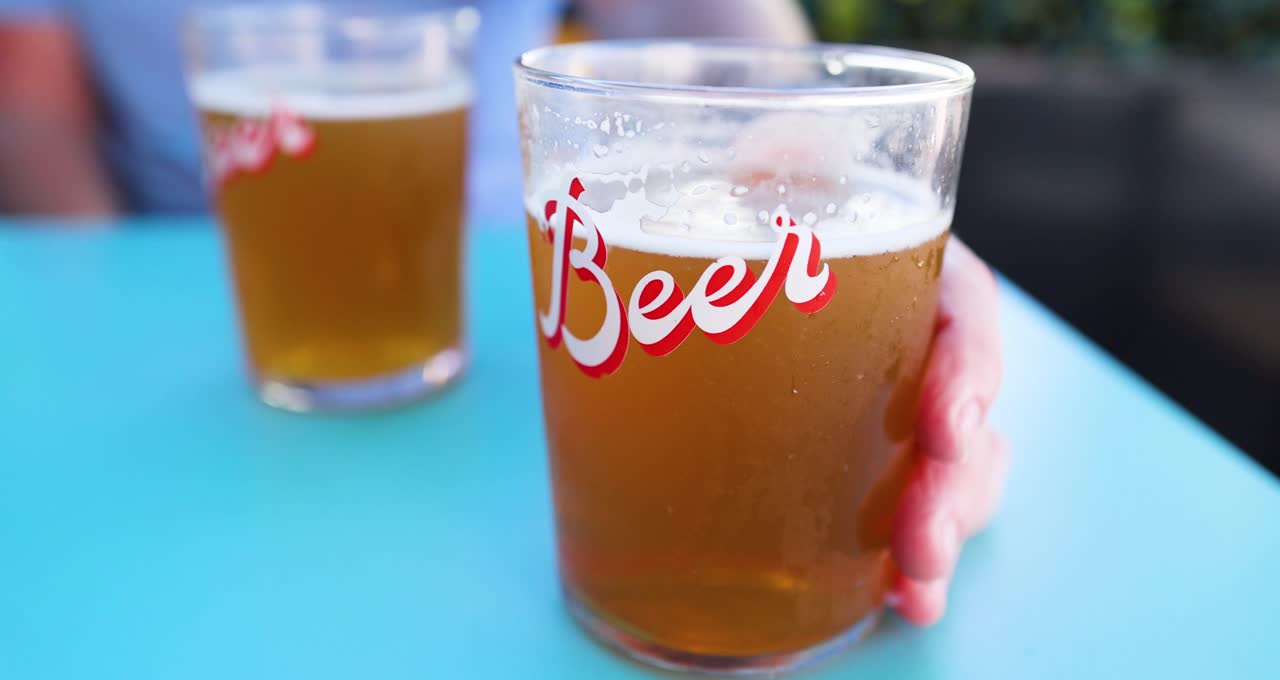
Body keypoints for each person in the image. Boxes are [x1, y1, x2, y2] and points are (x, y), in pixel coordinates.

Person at [0, 0, 1005, 625]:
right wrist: (99, 282)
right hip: (191, 264)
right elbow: (27, 97)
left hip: (557, 274)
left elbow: (753, 59)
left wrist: (870, 205)